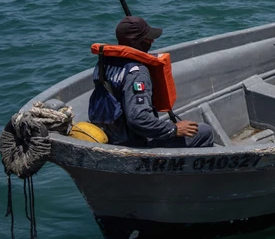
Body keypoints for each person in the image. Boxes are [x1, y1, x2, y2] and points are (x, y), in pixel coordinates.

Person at [88, 16, 214, 148]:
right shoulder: (137, 73)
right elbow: (138, 119)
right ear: (137, 41)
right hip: (136, 143)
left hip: (112, 135)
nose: (152, 41)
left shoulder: (103, 64)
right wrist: (174, 129)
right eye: (148, 38)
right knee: (204, 132)